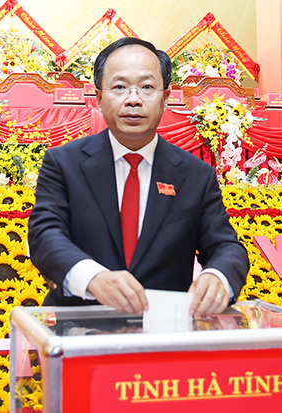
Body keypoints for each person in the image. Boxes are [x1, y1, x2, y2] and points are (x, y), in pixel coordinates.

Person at [28, 37, 249, 316]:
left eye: (147, 87)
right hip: (77, 322)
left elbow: (225, 246)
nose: (133, 99)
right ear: (99, 98)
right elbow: (45, 234)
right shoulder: (63, 163)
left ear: (166, 98)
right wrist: (94, 278)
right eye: (119, 87)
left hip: (163, 327)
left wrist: (217, 276)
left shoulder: (196, 175)